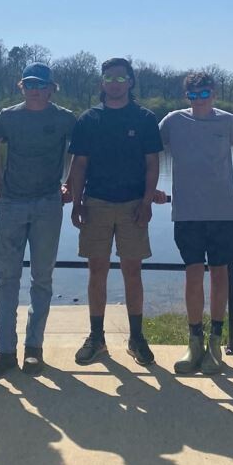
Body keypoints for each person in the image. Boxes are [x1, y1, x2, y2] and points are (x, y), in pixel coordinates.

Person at [0, 63, 76, 378]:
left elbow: (81, 152)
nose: (35, 89)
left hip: (48, 203)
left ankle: (34, 350)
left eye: (42, 84)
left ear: (51, 88)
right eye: (30, 84)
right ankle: (4, 350)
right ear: (22, 86)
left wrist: (69, 184)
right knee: (7, 279)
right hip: (12, 203)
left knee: (42, 279)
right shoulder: (8, 116)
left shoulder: (64, 119)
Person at [69, 57, 163, 365]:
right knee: (96, 271)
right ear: (102, 83)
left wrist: (148, 201)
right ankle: (97, 339)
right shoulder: (88, 120)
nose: (115, 83)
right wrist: (76, 200)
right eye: (109, 78)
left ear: (131, 82)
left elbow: (152, 164)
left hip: (133, 205)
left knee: (132, 272)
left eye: (121, 79)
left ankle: (136, 338)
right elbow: (79, 164)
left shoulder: (145, 118)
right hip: (96, 203)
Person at [158, 72, 233, 374]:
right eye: (194, 95)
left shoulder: (227, 121)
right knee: (193, 275)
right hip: (187, 212)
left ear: (214, 94)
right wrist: (149, 190)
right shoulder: (172, 121)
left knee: (220, 275)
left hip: (222, 211)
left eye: (205, 93)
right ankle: (194, 341)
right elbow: (148, 153)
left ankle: (216, 342)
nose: (200, 100)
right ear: (188, 97)